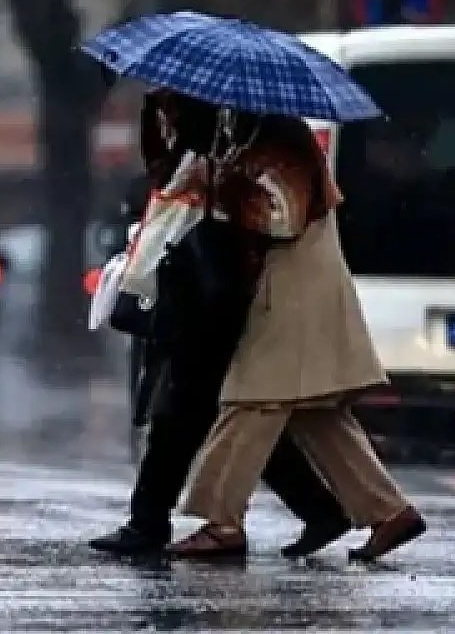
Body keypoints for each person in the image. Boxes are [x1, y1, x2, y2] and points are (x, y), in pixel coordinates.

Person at [89, 91, 351, 558]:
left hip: (231, 292)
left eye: (177, 103)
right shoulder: (220, 136)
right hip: (201, 287)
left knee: (192, 410)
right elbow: (167, 181)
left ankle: (153, 521)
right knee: (218, 412)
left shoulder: (275, 137)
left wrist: (225, 189)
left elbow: (283, 215)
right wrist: (161, 126)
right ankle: (317, 508)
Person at [169, 111, 426, 562]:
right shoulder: (258, 138)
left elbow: (283, 219)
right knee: (316, 412)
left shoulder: (284, 142)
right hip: (295, 287)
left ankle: (221, 521)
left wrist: (222, 186)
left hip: (293, 291)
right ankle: (389, 512)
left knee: (250, 401)